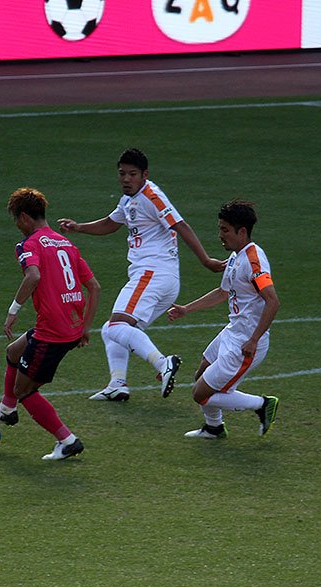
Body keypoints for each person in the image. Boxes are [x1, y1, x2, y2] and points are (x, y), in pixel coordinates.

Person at [57, 147, 224, 402]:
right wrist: (79, 227)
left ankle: (163, 363)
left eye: (132, 174)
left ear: (145, 174)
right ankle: (118, 384)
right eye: (122, 173)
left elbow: (181, 225)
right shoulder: (128, 200)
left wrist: (206, 261)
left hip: (153, 273)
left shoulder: (152, 196)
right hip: (158, 279)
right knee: (111, 330)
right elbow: (111, 223)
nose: (126, 179)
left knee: (117, 326)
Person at [0, 188, 101, 461]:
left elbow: (32, 276)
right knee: (13, 351)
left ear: (23, 217)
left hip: (52, 333)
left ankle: (67, 441)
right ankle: (6, 410)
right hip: (69, 326)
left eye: (16, 220)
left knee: (24, 390)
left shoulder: (29, 244)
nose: (17, 226)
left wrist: (13, 311)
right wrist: (85, 328)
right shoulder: (66, 243)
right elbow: (94, 286)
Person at [166, 200, 280, 438]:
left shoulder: (254, 261)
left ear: (242, 232)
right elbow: (222, 293)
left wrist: (253, 340)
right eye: (220, 228)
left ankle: (262, 404)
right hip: (232, 332)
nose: (220, 235)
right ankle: (214, 427)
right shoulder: (236, 257)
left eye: (225, 230)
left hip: (246, 342)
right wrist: (186, 309)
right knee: (201, 376)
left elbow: (272, 301)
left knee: (201, 394)